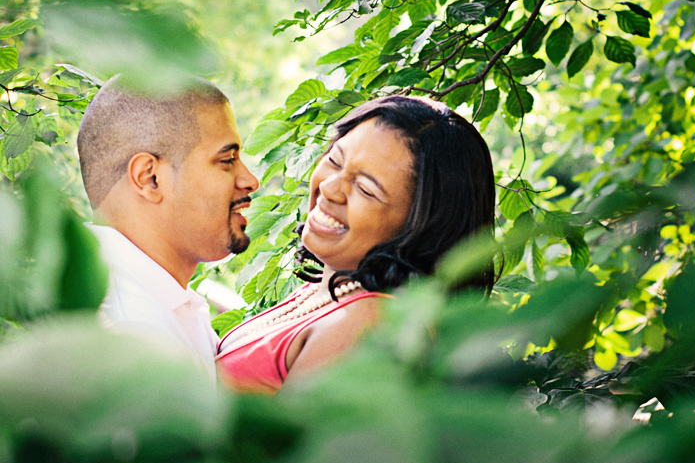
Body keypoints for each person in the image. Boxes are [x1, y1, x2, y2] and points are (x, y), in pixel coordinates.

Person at [216, 94, 496, 392]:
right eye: (335, 161)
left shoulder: (369, 325)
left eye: (365, 188)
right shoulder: (327, 291)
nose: (329, 187)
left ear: (422, 226)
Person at [77, 76, 259, 381]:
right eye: (227, 160)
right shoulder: (129, 336)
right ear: (150, 178)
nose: (250, 180)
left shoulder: (165, 302)